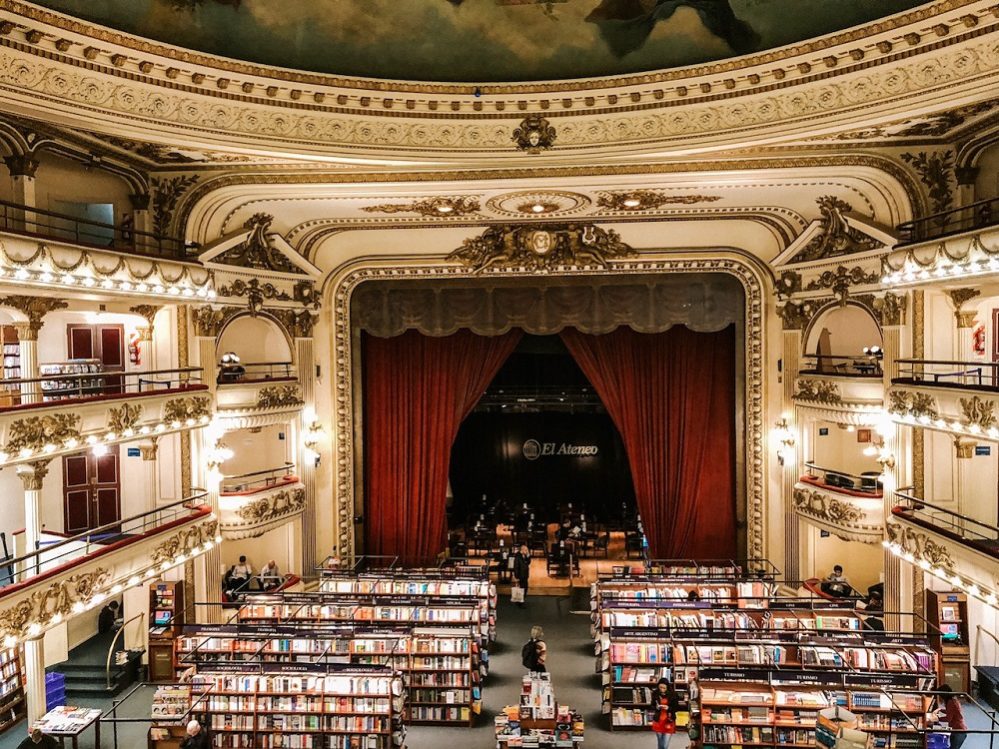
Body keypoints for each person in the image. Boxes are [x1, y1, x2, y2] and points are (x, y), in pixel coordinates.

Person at [649, 678, 680, 749]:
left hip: (669, 720)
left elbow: (677, 708)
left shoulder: (673, 694)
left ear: (667, 687)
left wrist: (668, 708)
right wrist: (656, 707)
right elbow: (652, 705)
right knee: (660, 743)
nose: (662, 689)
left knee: (665, 745)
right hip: (658, 720)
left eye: (664, 688)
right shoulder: (655, 693)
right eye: (660, 687)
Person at [937, 685, 968, 749]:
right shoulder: (952, 700)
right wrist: (940, 710)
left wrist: (937, 719)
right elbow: (950, 712)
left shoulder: (951, 702)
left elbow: (948, 718)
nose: (940, 697)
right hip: (955, 729)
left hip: (959, 731)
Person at [512, 544, 531, 608]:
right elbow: (516, 567)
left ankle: (521, 601)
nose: (527, 551)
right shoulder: (517, 557)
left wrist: (528, 556)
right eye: (526, 550)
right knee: (521, 589)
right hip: (520, 576)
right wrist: (516, 577)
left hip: (525, 575)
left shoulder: (525, 555)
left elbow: (528, 562)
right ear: (522, 550)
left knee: (525, 588)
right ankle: (520, 602)